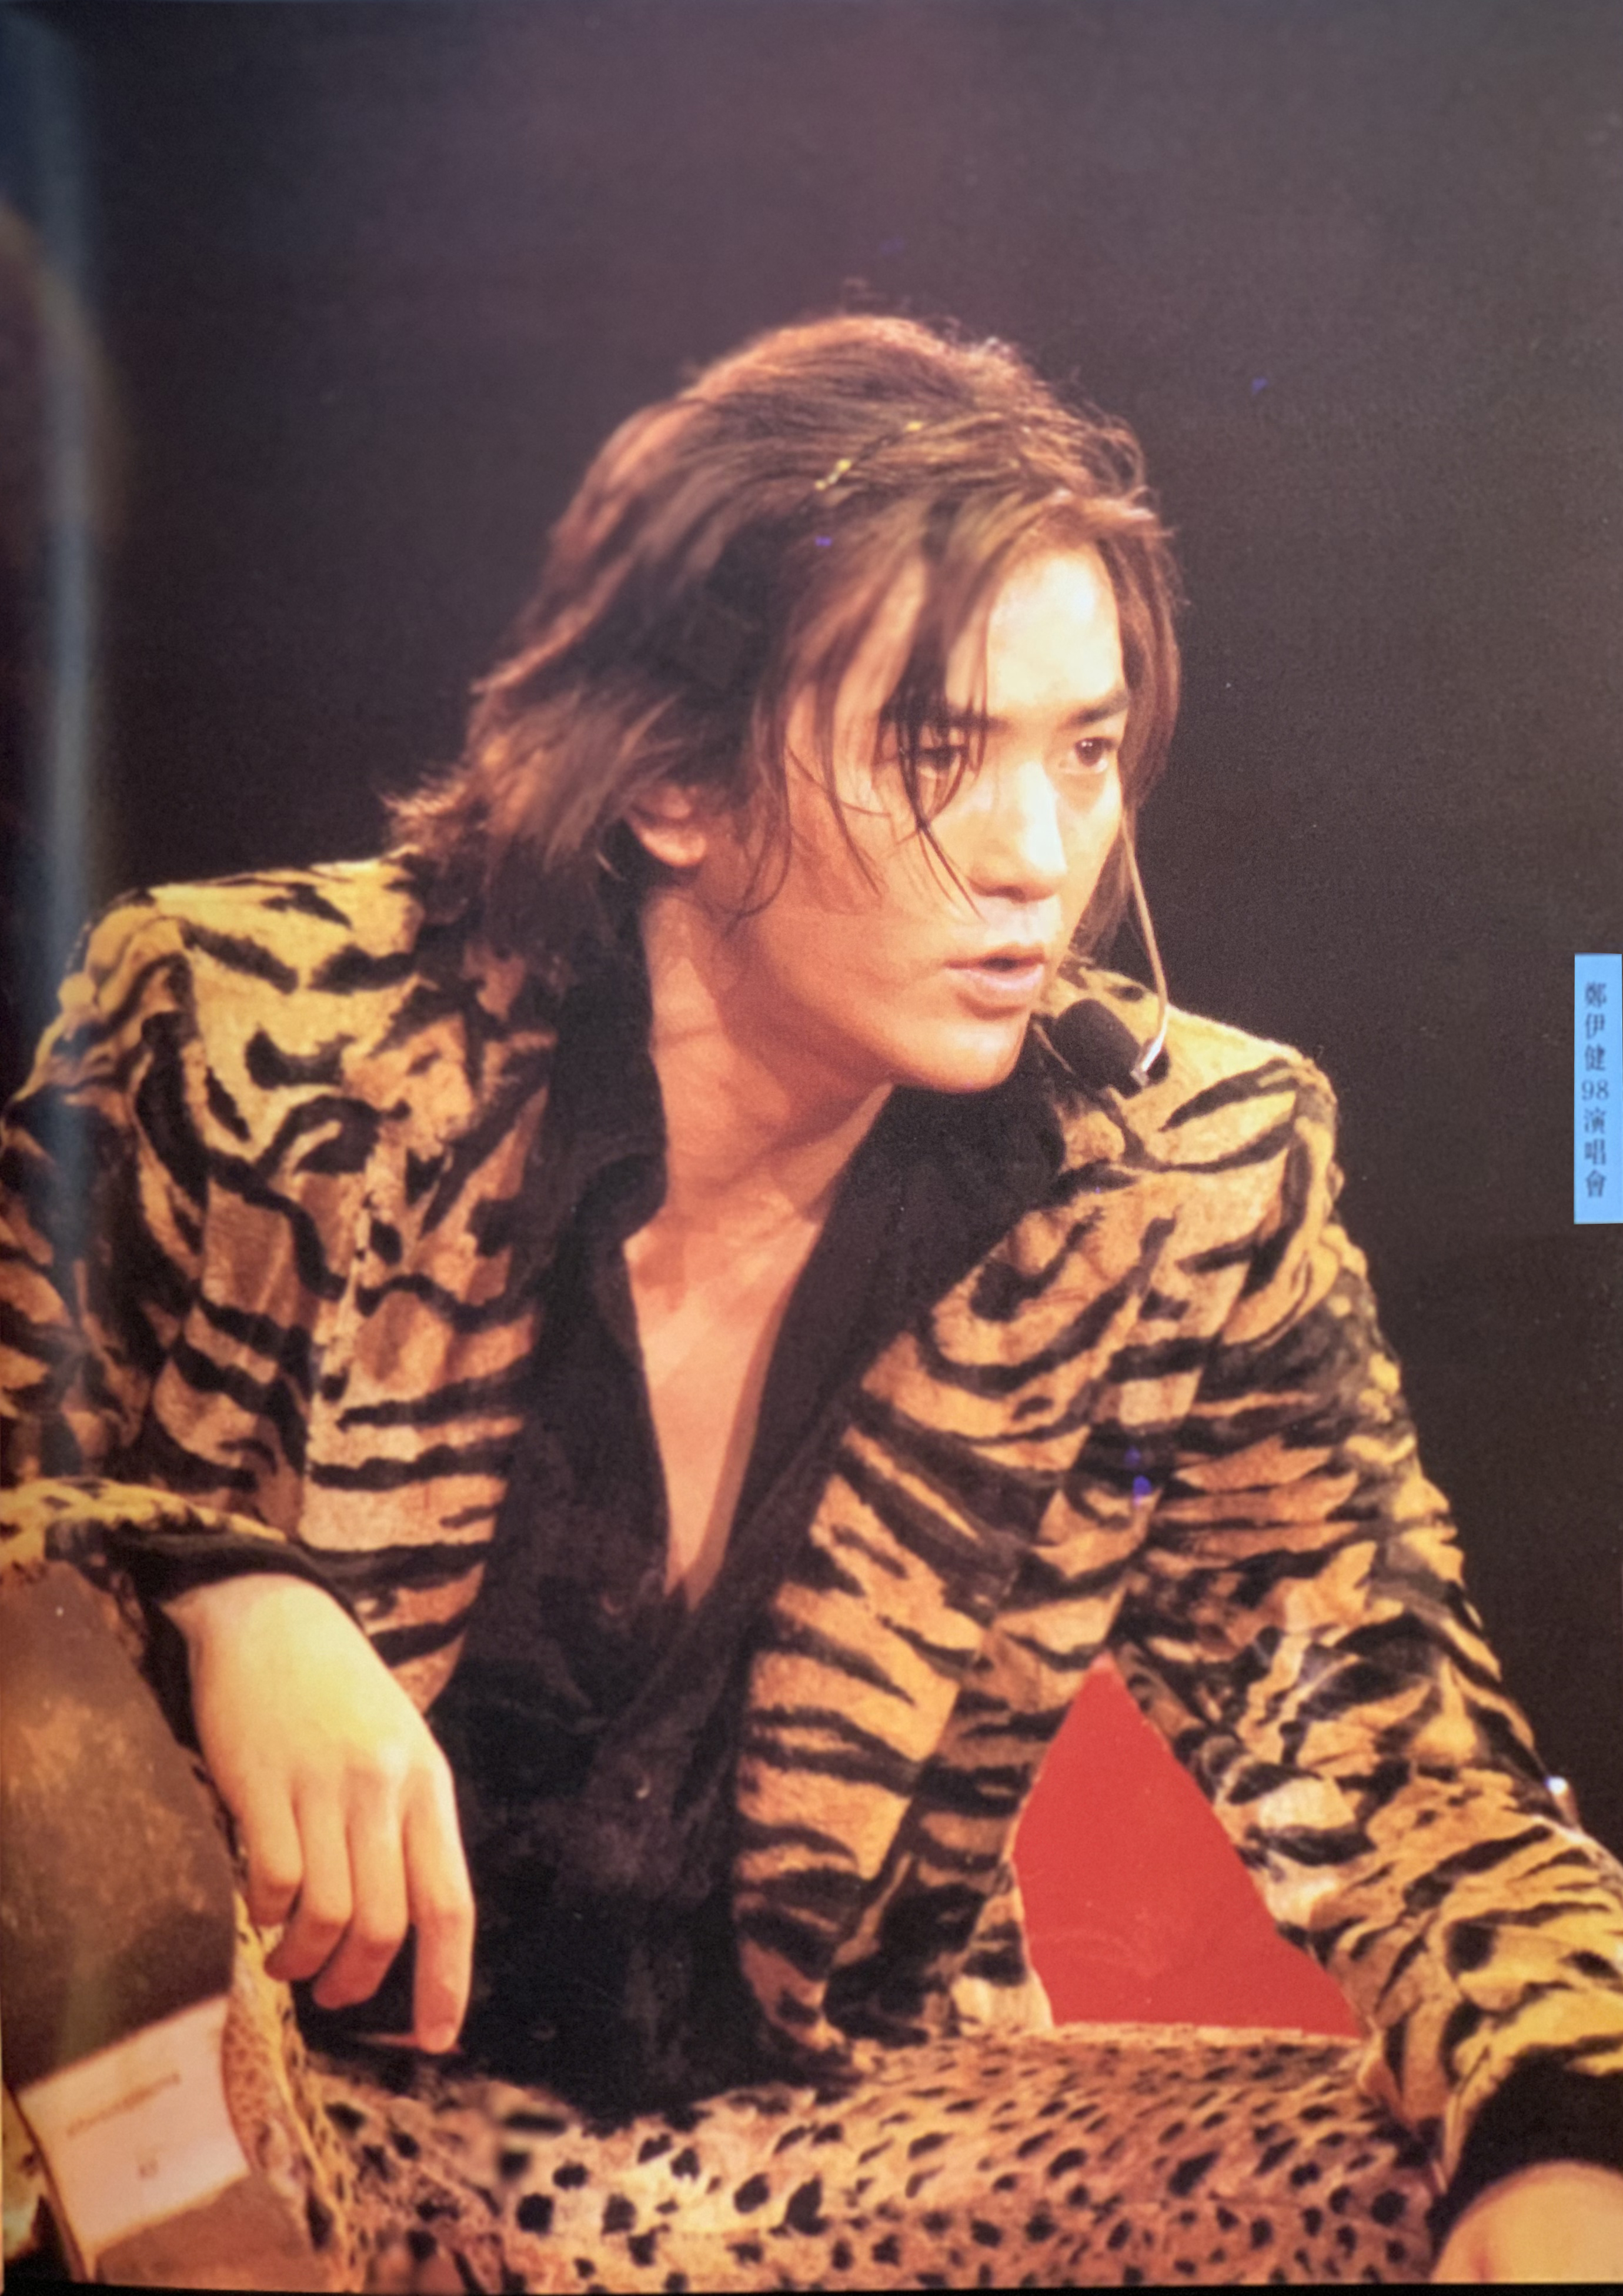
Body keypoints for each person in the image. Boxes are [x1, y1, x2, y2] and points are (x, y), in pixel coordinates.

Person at [4, 312, 1623, 2289]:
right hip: (278, 2127)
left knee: (1451, 2174)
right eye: (936, 756)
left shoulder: (1182, 1177)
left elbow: (1408, 1777)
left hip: (828, 2164)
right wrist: (212, 1583)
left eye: (1086, 752)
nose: (1041, 858)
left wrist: (1570, 2148)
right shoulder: (258, 1040)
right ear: (675, 782)